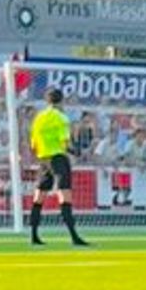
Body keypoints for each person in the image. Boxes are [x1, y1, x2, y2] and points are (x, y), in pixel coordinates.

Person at [27, 87, 88, 247]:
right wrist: (77, 152)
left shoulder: (38, 118)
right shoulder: (61, 118)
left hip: (43, 160)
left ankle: (33, 236)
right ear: (62, 100)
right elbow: (65, 143)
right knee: (64, 196)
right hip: (58, 159)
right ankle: (74, 237)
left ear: (47, 101)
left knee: (39, 197)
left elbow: (33, 144)